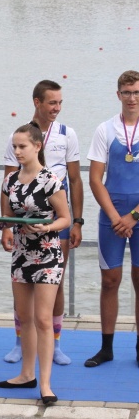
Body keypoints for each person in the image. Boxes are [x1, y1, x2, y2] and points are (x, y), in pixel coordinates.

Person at [1, 80, 84, 365]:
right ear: (37, 102)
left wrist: (77, 222)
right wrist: (6, 226)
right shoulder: (19, 136)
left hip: (55, 220)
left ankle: (55, 343)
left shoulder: (67, 134)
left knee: (55, 283)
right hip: (23, 223)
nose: (57, 108)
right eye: (52, 103)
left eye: (60, 103)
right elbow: (8, 184)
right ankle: (21, 342)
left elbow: (75, 180)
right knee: (22, 282)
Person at [0, 123, 70, 405]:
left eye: (22, 146)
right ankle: (26, 374)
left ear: (37, 146)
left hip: (48, 253)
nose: (17, 151)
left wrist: (46, 227)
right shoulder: (9, 181)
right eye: (14, 146)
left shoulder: (50, 180)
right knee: (24, 317)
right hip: (22, 253)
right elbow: (8, 218)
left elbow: (65, 219)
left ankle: (45, 384)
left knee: (43, 319)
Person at [85, 70, 139, 367]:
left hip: (136, 215)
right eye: (127, 92)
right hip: (112, 216)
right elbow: (95, 179)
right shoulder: (105, 129)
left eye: (137, 92)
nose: (132, 98)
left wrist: (133, 216)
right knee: (110, 281)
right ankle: (106, 348)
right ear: (118, 94)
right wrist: (117, 217)